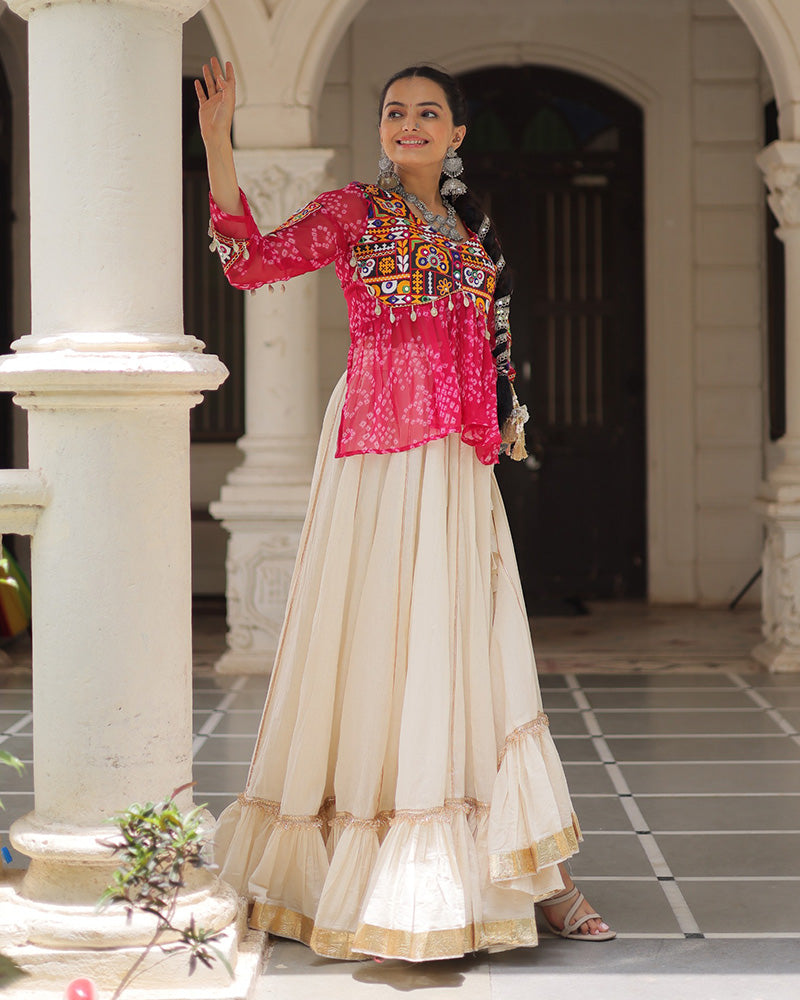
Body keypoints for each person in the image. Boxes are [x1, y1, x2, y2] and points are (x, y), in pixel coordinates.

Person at [197, 57, 615, 961]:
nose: (410, 125)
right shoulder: (355, 210)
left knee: (469, 646)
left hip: (456, 461)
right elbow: (252, 264)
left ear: (457, 135)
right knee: (385, 638)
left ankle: (530, 873)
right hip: (380, 451)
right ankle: (382, 874)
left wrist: (497, 430)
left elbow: (492, 351)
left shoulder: (473, 232)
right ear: (382, 129)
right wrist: (219, 143)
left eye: (429, 113)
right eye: (396, 112)